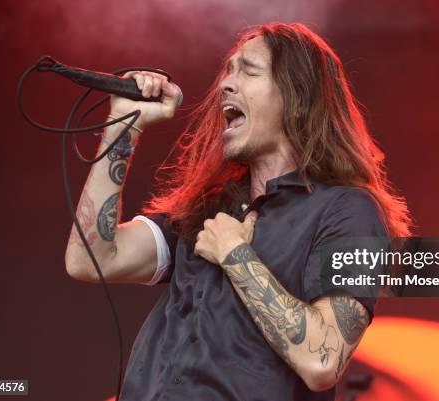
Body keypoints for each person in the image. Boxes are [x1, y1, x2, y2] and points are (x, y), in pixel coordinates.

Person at [64, 22, 412, 401]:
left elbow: (322, 361)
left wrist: (235, 255)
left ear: (298, 98)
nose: (225, 85)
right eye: (227, 72)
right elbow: (91, 259)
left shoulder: (348, 211)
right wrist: (123, 128)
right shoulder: (209, 208)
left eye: (248, 71)